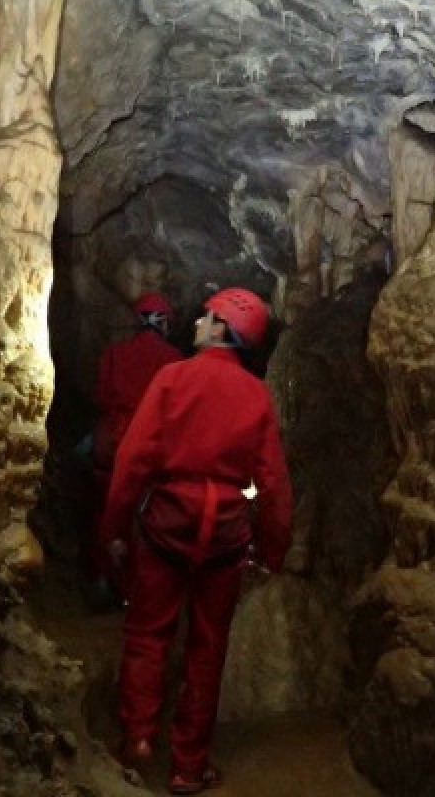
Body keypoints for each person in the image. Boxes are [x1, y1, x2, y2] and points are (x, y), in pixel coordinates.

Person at [97, 287, 293, 795]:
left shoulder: (173, 378)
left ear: (218, 328)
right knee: (207, 649)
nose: (198, 324)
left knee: (147, 632)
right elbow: (271, 484)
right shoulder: (255, 395)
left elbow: (133, 461)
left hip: (168, 524)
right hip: (225, 535)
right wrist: (273, 550)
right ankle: (187, 766)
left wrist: (115, 527)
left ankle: (138, 737)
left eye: (207, 319)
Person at [88, 292, 183, 597]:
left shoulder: (115, 353)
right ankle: (139, 585)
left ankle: (102, 578)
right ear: (164, 323)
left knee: (104, 506)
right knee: (147, 516)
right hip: (153, 449)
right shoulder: (175, 361)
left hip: (113, 442)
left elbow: (101, 397)